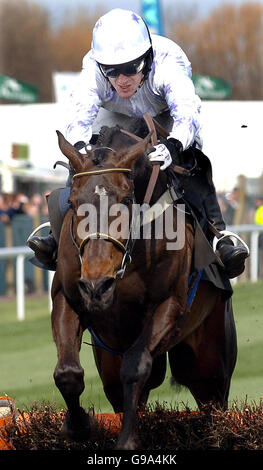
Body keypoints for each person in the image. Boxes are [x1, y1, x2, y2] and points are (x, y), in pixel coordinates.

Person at [28, 8, 248, 278]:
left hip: (164, 113)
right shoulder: (92, 68)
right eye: (112, 71)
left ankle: (219, 235)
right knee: (83, 163)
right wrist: (82, 148)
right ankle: (55, 234)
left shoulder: (170, 61)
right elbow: (78, 116)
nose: (122, 80)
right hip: (114, 114)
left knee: (192, 159)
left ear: (147, 58)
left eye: (131, 69)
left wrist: (174, 146)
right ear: (101, 66)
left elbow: (187, 114)